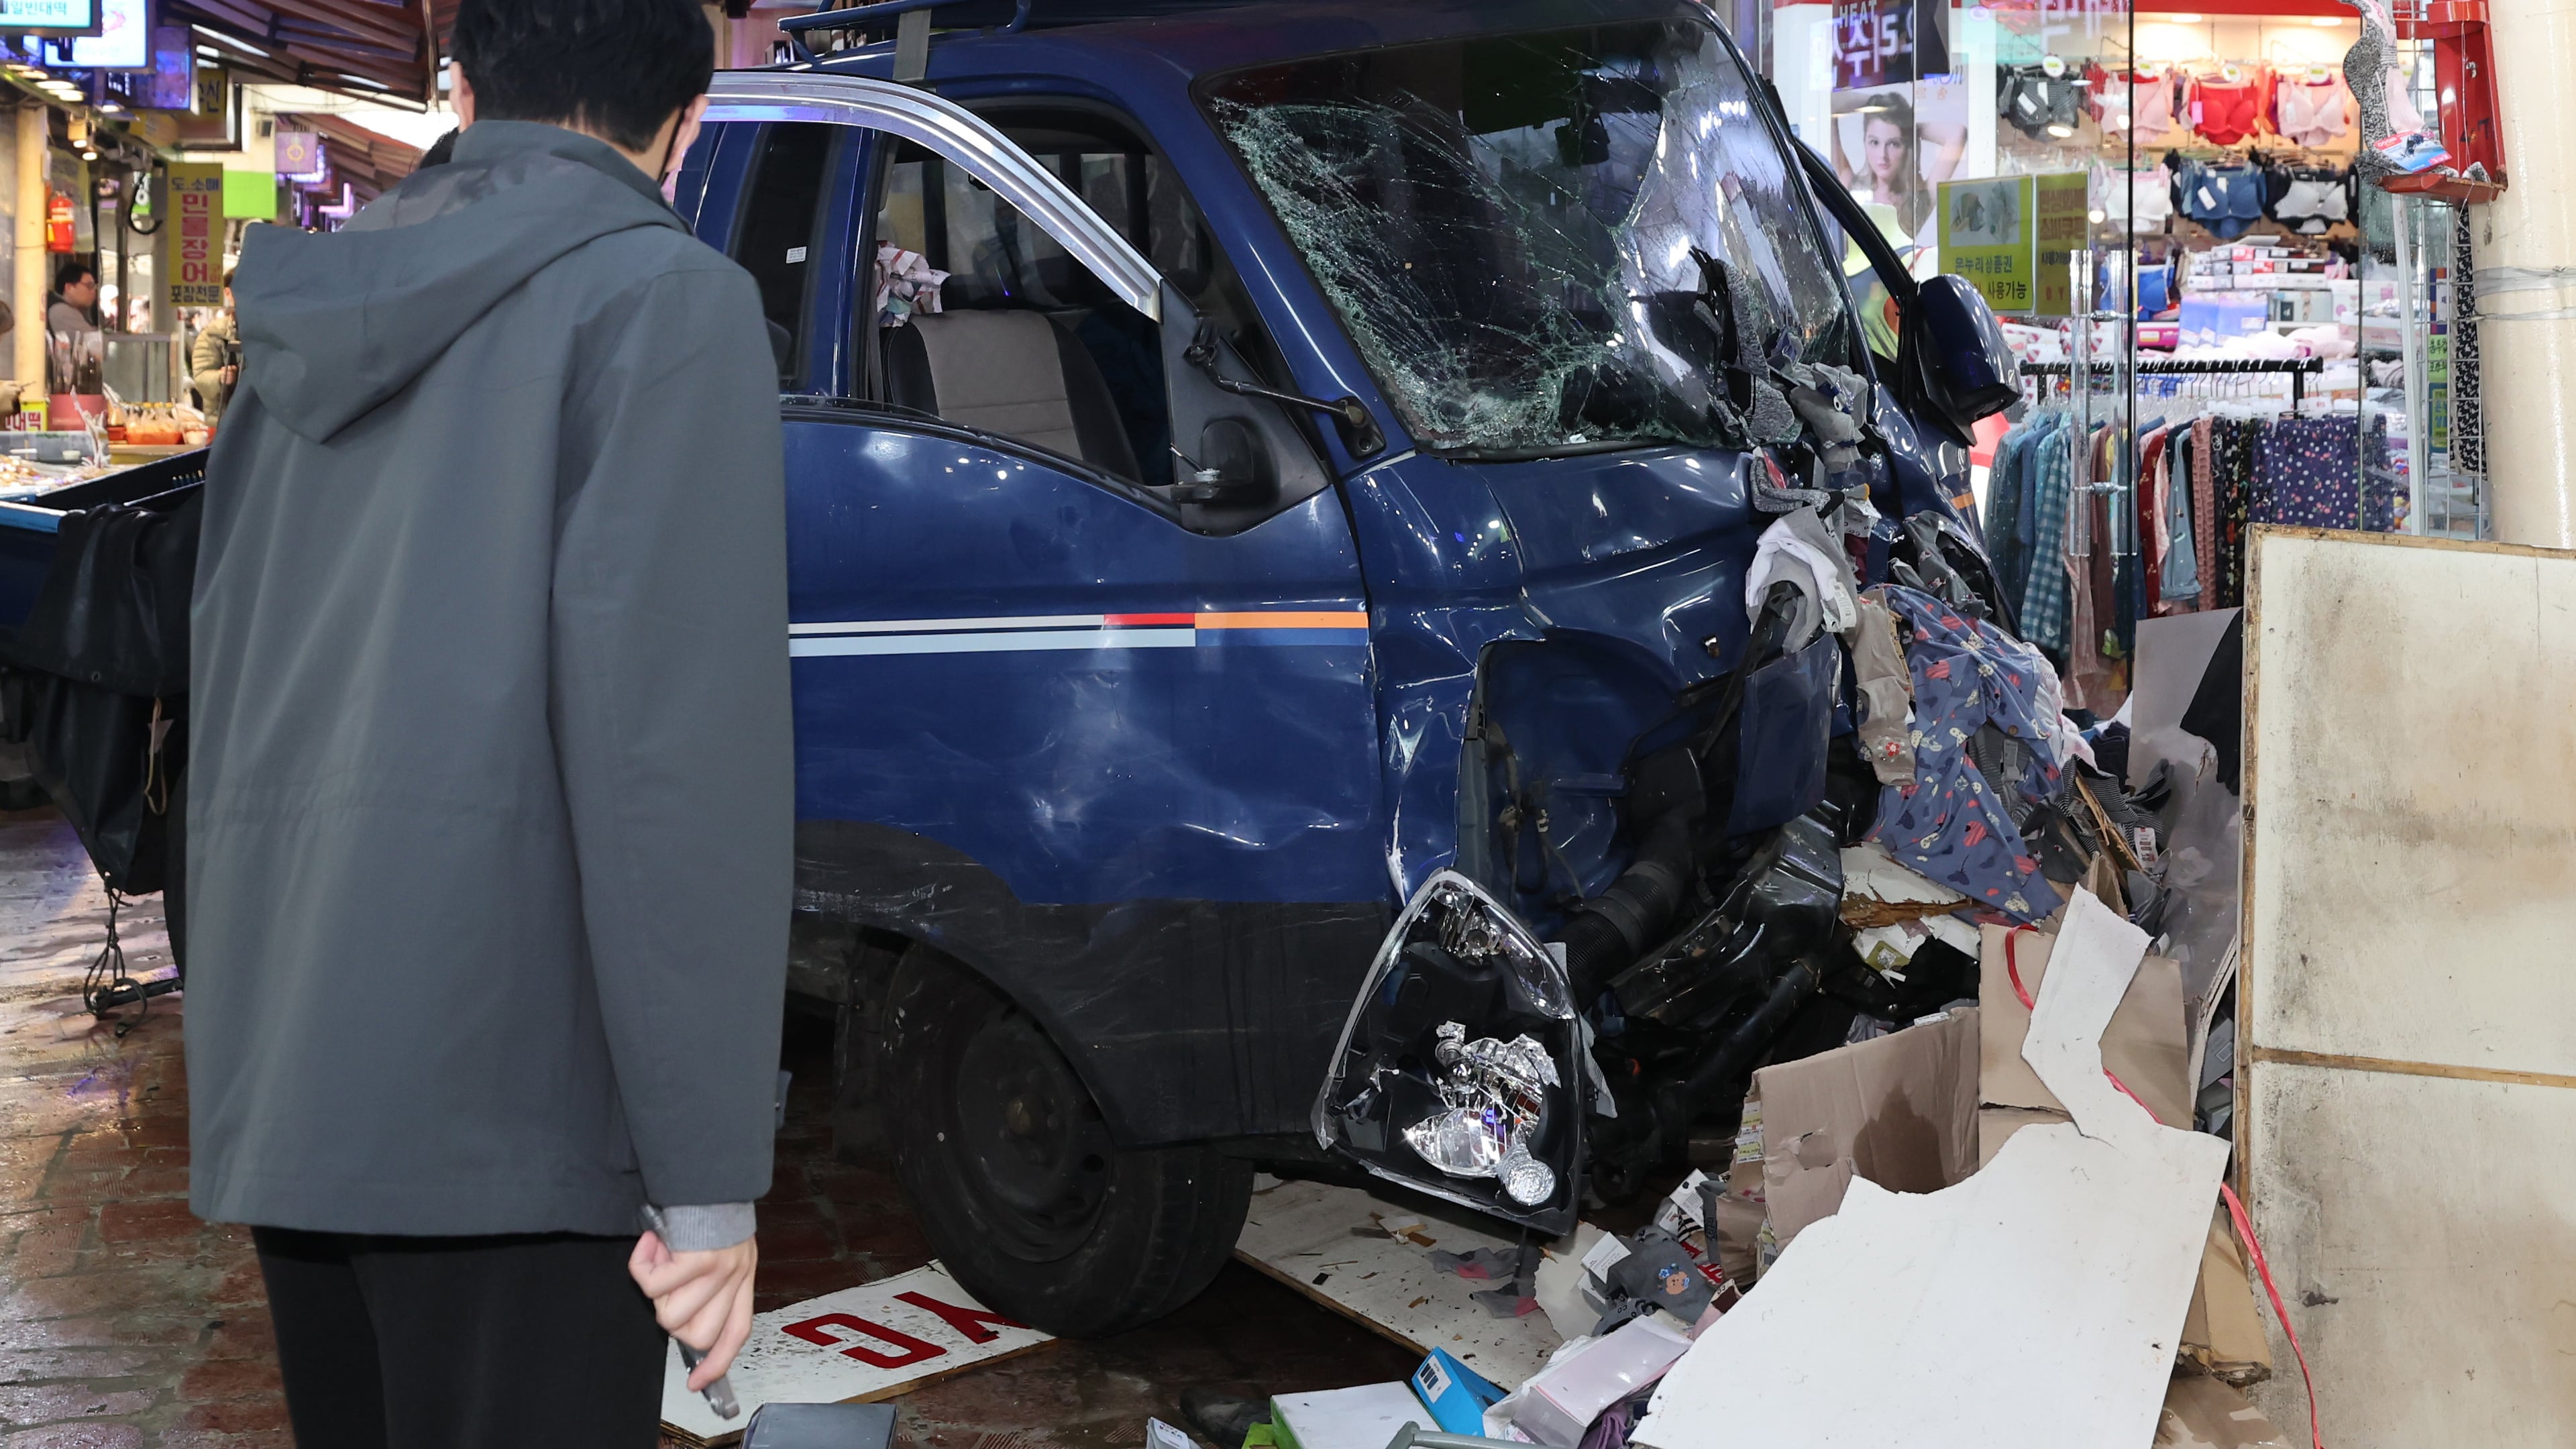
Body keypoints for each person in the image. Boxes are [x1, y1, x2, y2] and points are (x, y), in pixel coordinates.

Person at [186, 1, 790, 1445]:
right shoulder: (665, 301)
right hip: (517, 1118)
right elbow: (674, 770)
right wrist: (709, 1184)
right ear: (683, 130)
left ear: (461, 86)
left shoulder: (301, 320)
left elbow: (227, 690)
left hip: (300, 1090)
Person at [187, 272, 237, 423]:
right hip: (225, 421)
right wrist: (220, 377)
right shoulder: (214, 333)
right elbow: (201, 379)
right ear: (228, 293)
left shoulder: (271, 329)